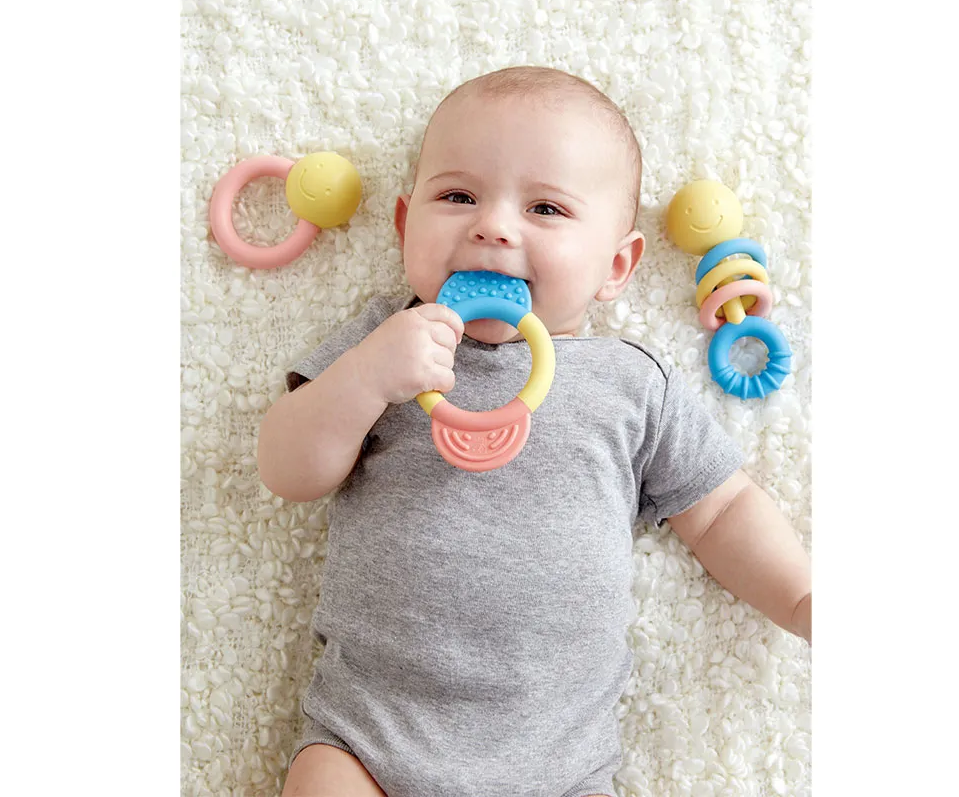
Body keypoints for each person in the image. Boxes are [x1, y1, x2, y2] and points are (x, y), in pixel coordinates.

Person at [258, 66, 812, 797]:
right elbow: (287, 469)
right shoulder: (382, 344)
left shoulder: (631, 382)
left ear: (616, 265)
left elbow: (722, 509)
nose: (492, 226)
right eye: (458, 197)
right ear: (403, 226)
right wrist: (363, 379)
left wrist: (803, 599)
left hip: (558, 765)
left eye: (546, 208)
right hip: (371, 738)